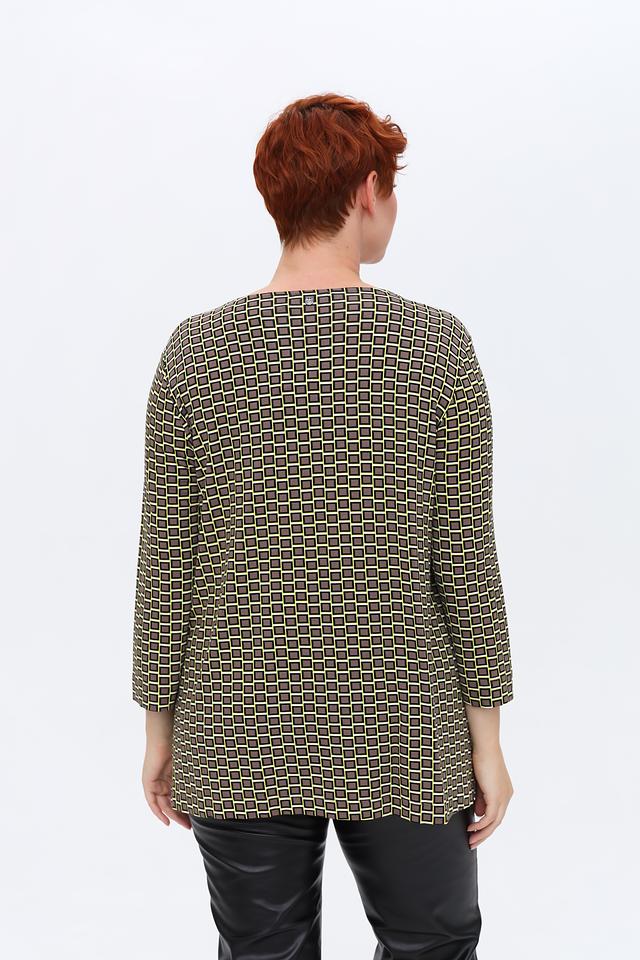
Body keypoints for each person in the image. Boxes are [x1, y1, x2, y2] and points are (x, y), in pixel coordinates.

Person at [132, 92, 515, 960]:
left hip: (235, 715)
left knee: (262, 951)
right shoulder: (436, 347)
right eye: (393, 187)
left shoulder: (195, 352)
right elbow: (465, 557)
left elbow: (167, 561)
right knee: (435, 942)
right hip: (406, 720)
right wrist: (488, 740)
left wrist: (160, 729)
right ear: (368, 190)